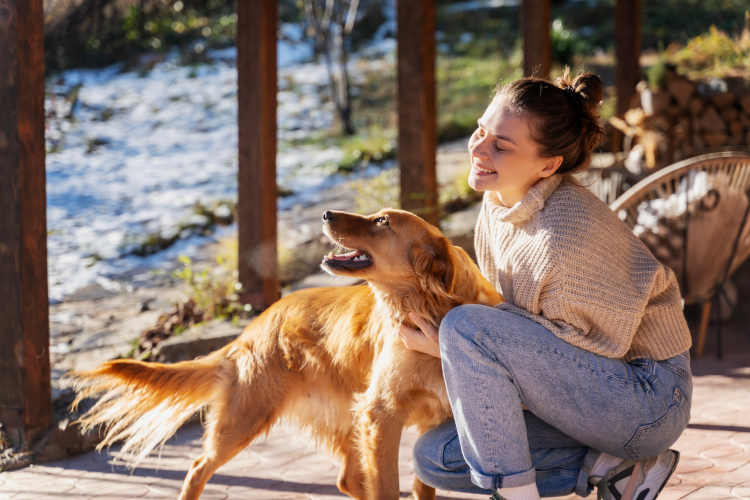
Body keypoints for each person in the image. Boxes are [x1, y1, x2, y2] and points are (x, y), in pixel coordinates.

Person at [398, 70, 693, 500]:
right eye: (481, 130)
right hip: (592, 393)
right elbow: (534, 351)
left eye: (501, 145)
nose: (478, 149)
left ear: (548, 165)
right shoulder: (498, 204)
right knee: (436, 457)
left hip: (649, 399)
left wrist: (450, 344)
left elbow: (590, 349)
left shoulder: (566, 232)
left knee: (464, 329)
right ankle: (615, 467)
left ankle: (518, 495)